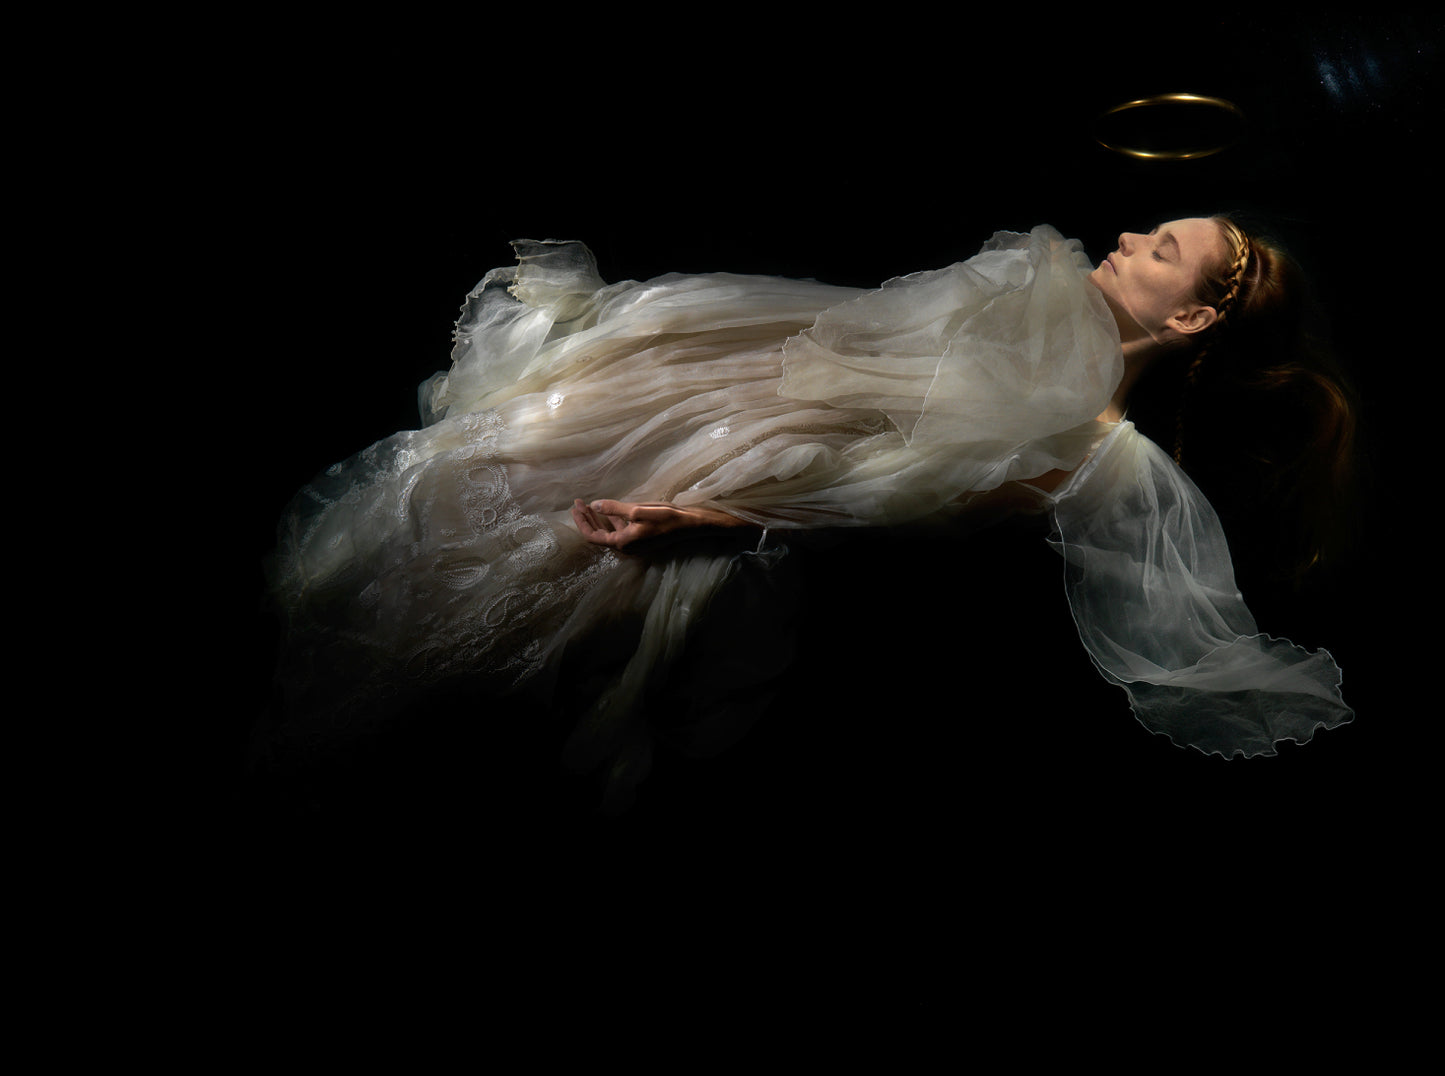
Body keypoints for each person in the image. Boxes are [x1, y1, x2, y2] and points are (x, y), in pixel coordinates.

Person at [261, 219, 1355, 808]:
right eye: (1152, 229)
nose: (1130, 237)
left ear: (1192, 316)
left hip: (754, 499)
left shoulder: (1098, 448)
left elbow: (895, 510)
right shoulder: (1033, 300)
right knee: (484, 467)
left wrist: (704, 519)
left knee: (503, 605)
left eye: (1162, 250)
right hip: (724, 411)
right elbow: (855, 331)